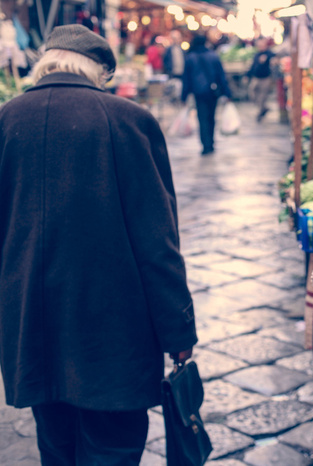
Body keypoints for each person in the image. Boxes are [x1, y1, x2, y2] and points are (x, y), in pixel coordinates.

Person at [0, 24, 197, 465]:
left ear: (45, 64)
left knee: (54, 445)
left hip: (29, 325)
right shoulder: (129, 120)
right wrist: (178, 329)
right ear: (100, 73)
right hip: (111, 333)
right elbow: (158, 242)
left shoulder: (7, 119)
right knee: (113, 448)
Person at [181, 34, 232, 155]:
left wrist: (184, 96)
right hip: (212, 92)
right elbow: (221, 76)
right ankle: (211, 142)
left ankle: (206, 144)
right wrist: (227, 93)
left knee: (202, 118)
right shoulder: (213, 56)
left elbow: (186, 79)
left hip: (199, 92)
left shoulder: (190, 57)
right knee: (211, 117)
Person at [247, 37, 275, 122]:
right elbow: (253, 66)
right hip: (256, 77)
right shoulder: (256, 54)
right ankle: (264, 109)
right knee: (252, 93)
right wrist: (247, 75)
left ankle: (260, 113)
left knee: (262, 97)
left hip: (265, 78)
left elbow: (275, 58)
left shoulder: (269, 53)